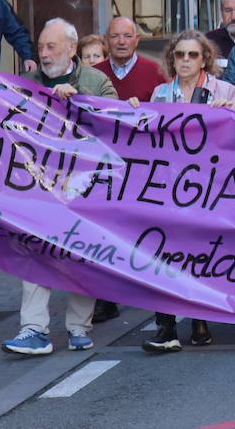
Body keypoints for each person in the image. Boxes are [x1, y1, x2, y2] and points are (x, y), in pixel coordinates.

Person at [2, 19, 116, 356]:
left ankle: (79, 327)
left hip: (84, 187)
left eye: (51, 47)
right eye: (40, 47)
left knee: (81, 254)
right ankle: (33, 329)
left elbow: (114, 126)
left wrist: (80, 99)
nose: (44, 53)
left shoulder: (96, 81)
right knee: (35, 256)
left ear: (71, 47)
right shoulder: (26, 84)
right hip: (40, 187)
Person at [137, 31, 235, 354]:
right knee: (163, 253)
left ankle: (199, 319)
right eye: (179, 54)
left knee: (199, 253)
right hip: (167, 186)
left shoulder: (226, 90)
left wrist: (230, 115)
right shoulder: (159, 93)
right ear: (171, 58)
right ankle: (166, 327)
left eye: (192, 55)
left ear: (204, 59)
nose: (185, 61)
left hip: (209, 187)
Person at [89, 16, 167, 324]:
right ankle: (106, 297)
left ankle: (152, 288)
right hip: (104, 163)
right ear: (106, 41)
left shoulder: (155, 72)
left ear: (137, 40)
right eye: (115, 36)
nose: (121, 41)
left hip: (145, 163)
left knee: (143, 229)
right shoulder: (92, 75)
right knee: (104, 232)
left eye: (127, 36)